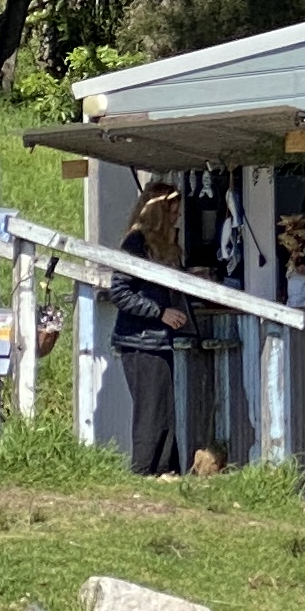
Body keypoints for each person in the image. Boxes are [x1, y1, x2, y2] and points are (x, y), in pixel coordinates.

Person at [114, 184, 202, 477]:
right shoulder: (135, 243)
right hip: (140, 341)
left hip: (161, 340)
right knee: (150, 412)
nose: (177, 218)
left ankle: (165, 468)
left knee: (165, 410)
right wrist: (160, 312)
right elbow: (120, 292)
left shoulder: (165, 245)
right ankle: (142, 471)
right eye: (172, 212)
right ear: (158, 213)